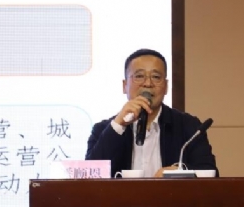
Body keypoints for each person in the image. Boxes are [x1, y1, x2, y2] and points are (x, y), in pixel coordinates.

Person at [86, 48, 218, 178]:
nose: (148, 84)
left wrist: (179, 171)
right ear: (124, 86)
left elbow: (210, 172)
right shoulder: (103, 130)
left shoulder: (188, 126)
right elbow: (89, 177)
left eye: (156, 77)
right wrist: (118, 126)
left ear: (166, 87)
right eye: (139, 76)